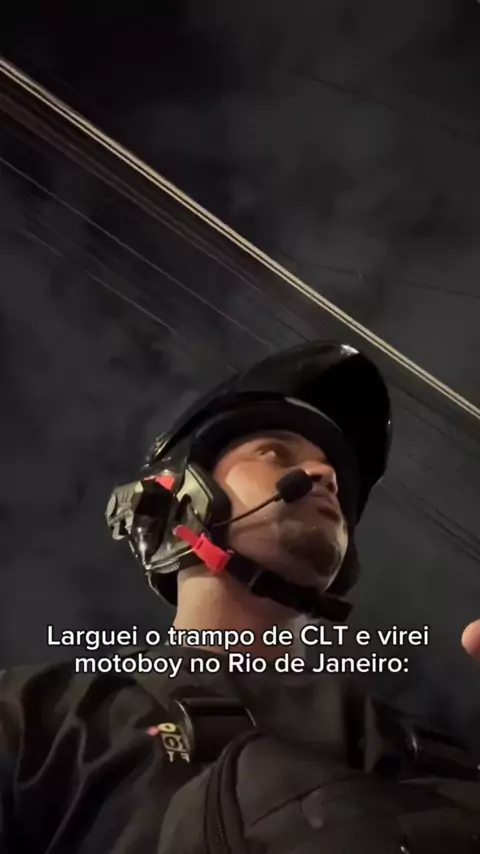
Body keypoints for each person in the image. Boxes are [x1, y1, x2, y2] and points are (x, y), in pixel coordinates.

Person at [0, 340, 478, 854]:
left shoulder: (431, 751)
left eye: (335, 478)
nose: (326, 477)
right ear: (182, 501)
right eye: (275, 453)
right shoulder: (41, 719)